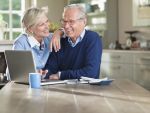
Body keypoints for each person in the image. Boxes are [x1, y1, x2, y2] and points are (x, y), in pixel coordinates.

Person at [43, 4, 102, 80]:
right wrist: (43, 74)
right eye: (64, 21)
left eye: (71, 21)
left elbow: (91, 73)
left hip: (87, 90)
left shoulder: (92, 38)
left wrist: (61, 75)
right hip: (62, 89)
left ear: (84, 21)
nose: (66, 26)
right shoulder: (60, 40)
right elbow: (50, 69)